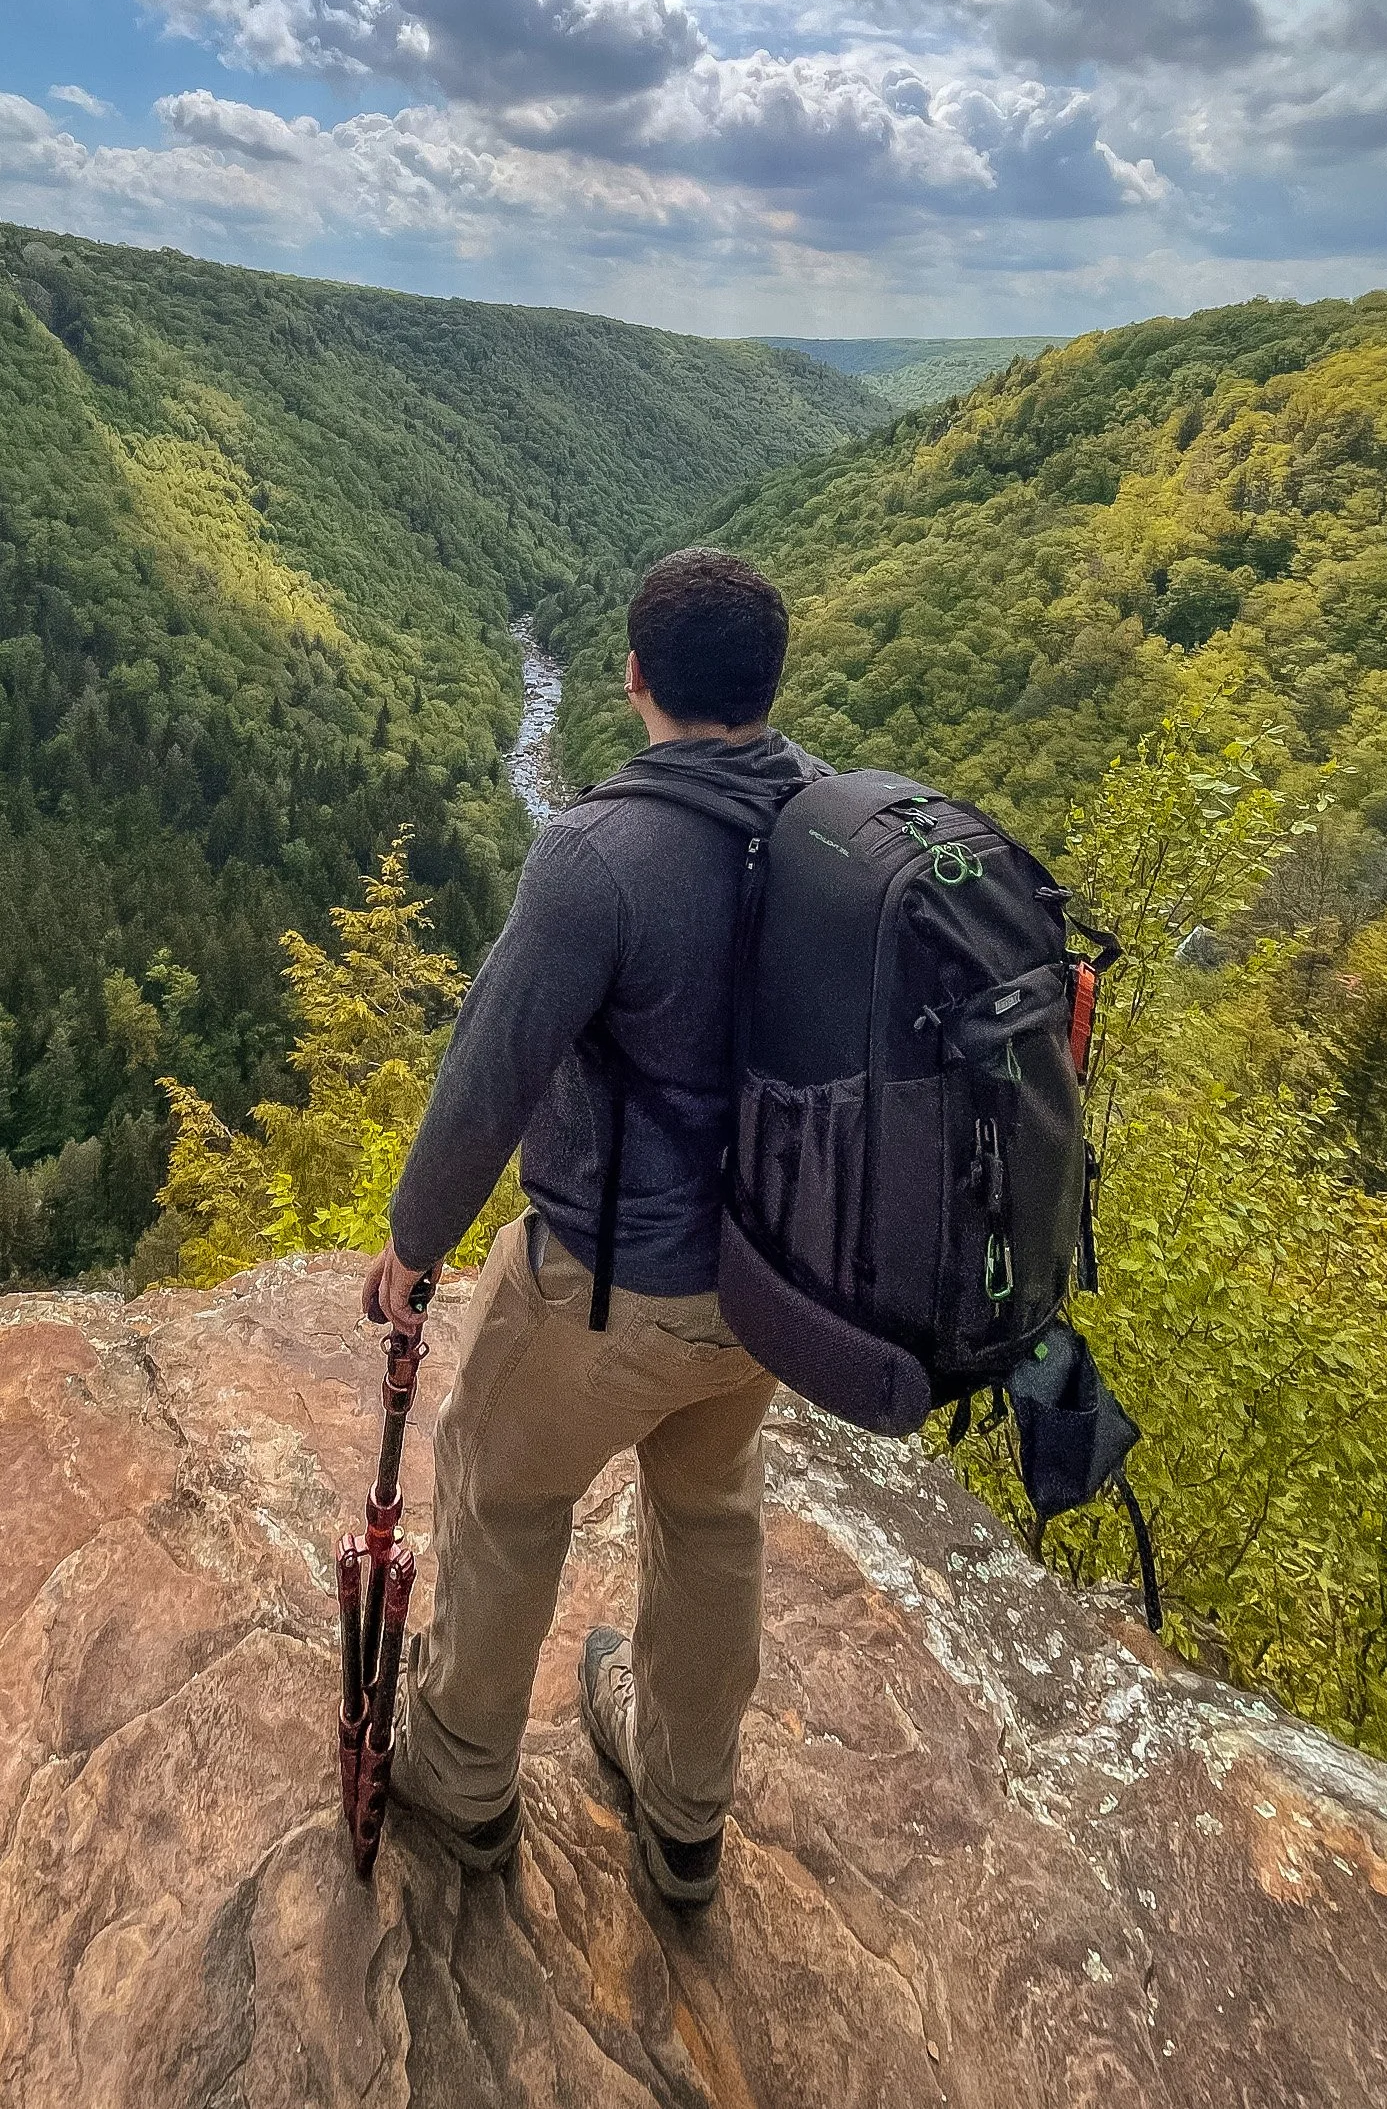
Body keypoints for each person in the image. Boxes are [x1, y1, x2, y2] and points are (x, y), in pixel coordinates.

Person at [361, 546, 826, 1907]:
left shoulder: (593, 855)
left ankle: (459, 1782)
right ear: (769, 682)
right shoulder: (827, 827)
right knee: (709, 1514)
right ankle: (684, 1814)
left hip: (613, 1285)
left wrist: (412, 1240)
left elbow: (489, 1072)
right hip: (774, 1281)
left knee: (504, 1496)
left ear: (631, 680)